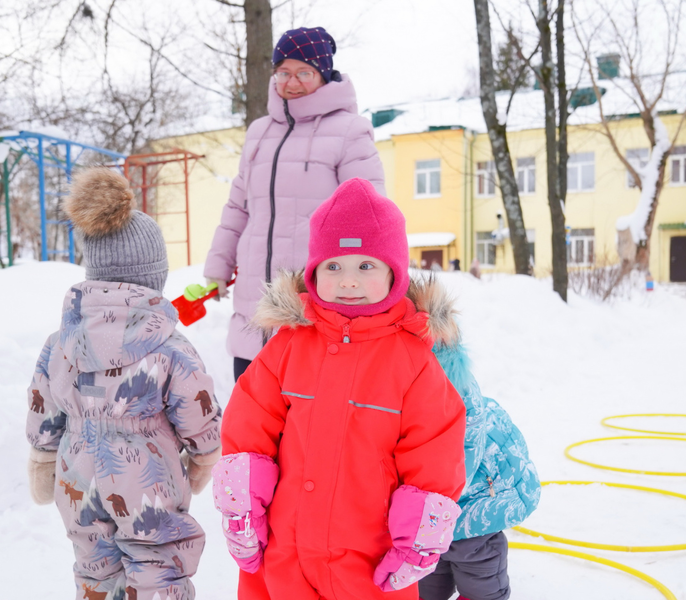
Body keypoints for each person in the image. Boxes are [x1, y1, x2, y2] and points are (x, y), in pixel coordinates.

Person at [210, 178, 467, 599]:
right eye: (334, 266)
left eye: (365, 266)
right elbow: (249, 424)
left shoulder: (412, 361)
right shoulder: (290, 345)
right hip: (284, 551)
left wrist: (419, 537)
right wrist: (243, 506)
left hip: (368, 561)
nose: (348, 281)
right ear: (313, 273)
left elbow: (434, 451)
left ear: (394, 275)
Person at [25, 169, 222, 600]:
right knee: (158, 567)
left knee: (93, 568)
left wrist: (42, 458)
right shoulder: (170, 346)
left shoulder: (60, 342)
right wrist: (205, 456)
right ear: (154, 276)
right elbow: (196, 404)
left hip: (76, 472)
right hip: (146, 482)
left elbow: (45, 404)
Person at [203, 26, 385, 382]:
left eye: (305, 72)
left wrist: (365, 284)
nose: (292, 82)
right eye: (283, 72)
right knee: (251, 422)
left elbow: (368, 214)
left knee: (304, 422)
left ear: (324, 74)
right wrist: (218, 266)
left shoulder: (350, 130)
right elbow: (238, 207)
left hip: (313, 301)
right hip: (253, 308)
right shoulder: (259, 132)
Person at [418, 340, 541, 600]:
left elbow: (468, 455)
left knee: (477, 571)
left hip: (475, 513)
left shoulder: (457, 401)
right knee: (426, 575)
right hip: (423, 524)